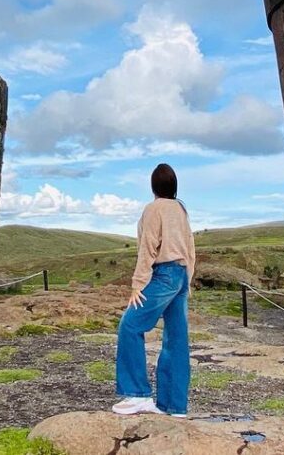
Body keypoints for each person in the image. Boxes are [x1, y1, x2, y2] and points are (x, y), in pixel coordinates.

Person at [112, 163, 196, 417]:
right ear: (174, 186)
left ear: (153, 187)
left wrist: (138, 284)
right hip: (180, 274)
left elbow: (148, 246)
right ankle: (174, 406)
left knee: (130, 325)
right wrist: (187, 281)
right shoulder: (181, 209)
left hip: (164, 274)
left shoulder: (154, 208)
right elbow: (190, 246)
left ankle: (138, 394)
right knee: (177, 339)